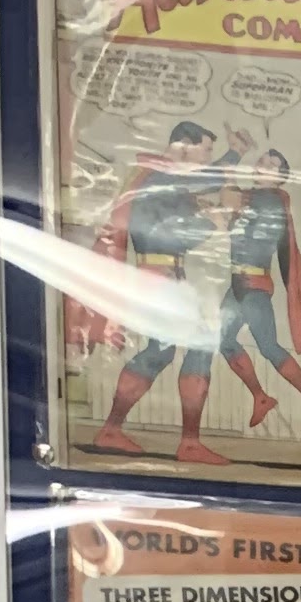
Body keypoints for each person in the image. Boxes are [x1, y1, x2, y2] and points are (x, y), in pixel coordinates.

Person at [78, 120, 227, 461]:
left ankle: (113, 430)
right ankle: (187, 442)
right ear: (184, 146)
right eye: (205, 150)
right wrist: (209, 223)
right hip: (159, 278)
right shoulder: (160, 179)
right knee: (197, 345)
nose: (207, 158)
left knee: (160, 353)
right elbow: (167, 236)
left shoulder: (157, 178)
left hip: (160, 277)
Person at [212, 146, 301, 436]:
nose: (263, 163)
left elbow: (249, 233)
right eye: (262, 160)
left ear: (280, 178)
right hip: (238, 285)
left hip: (254, 286)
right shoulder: (255, 197)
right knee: (225, 340)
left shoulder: (270, 201)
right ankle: (261, 397)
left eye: (272, 164)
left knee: (268, 347)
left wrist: (228, 205)